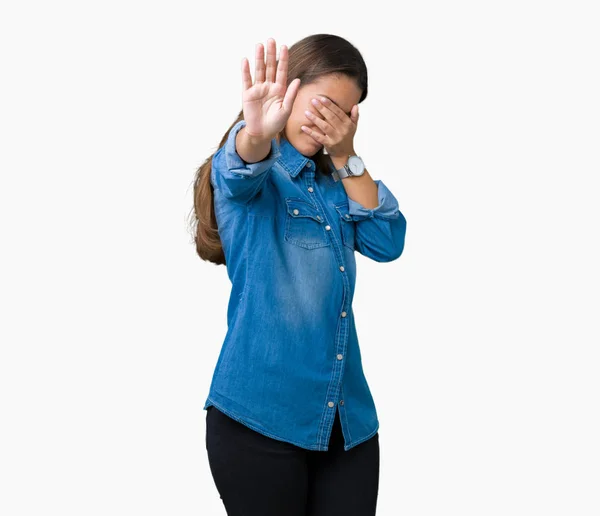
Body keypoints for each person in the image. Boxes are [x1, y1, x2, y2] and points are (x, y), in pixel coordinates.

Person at [189, 33, 407, 516]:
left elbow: (387, 242)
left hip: (346, 426)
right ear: (287, 91)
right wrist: (255, 133)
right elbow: (239, 168)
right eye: (323, 104)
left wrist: (347, 155)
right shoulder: (255, 173)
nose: (329, 122)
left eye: (344, 114)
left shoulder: (338, 183)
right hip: (258, 423)